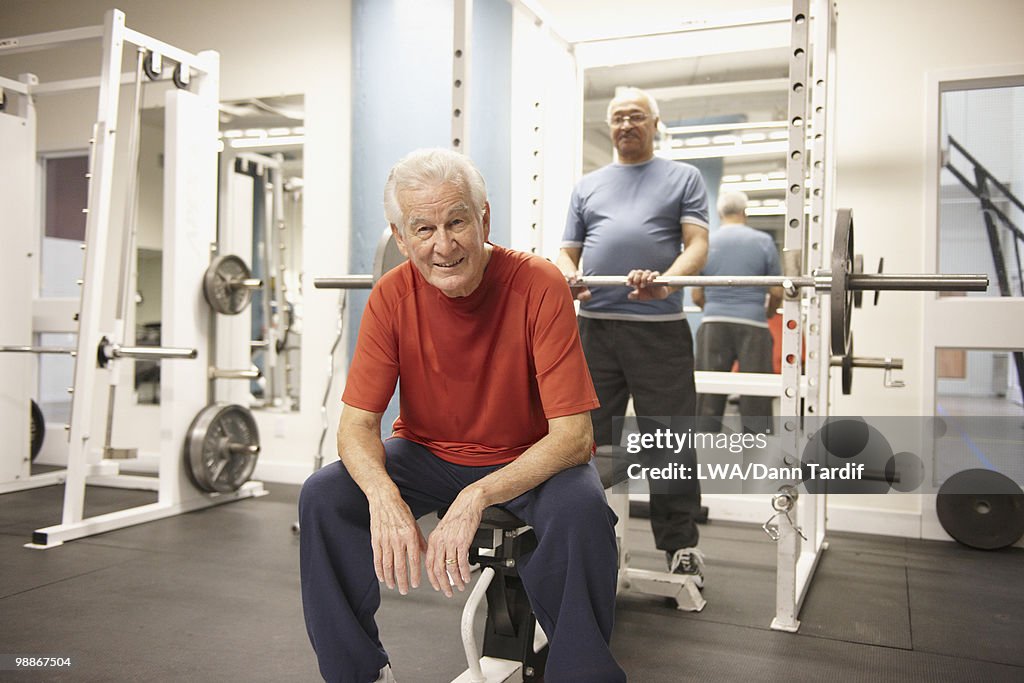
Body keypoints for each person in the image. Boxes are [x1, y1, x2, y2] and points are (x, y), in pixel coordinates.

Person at [298, 148, 625, 683]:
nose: (443, 245)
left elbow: (572, 437)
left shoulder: (538, 284)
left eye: (456, 222)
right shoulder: (390, 297)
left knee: (583, 510)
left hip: (532, 459)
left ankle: (581, 673)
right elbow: (356, 425)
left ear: (484, 219)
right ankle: (356, 674)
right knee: (324, 496)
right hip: (428, 455)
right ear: (401, 238)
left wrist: (475, 496)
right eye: (423, 229)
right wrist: (383, 498)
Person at [557, 86, 710, 589]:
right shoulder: (588, 186)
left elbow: (697, 245)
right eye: (619, 118)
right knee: (586, 441)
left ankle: (680, 545)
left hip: (659, 330)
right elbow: (566, 254)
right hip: (595, 328)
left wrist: (669, 278)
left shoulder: (683, 177)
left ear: (655, 123)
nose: (627, 125)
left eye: (637, 117)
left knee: (668, 437)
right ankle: (587, 541)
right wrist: (569, 277)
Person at [691, 190, 783, 435]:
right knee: (756, 394)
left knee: (709, 393)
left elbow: (696, 295)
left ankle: (705, 449)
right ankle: (757, 453)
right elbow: (777, 291)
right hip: (753, 323)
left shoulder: (707, 241)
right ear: (745, 212)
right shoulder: (763, 241)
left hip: (713, 323)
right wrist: (767, 312)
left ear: (720, 213)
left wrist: (712, 307)